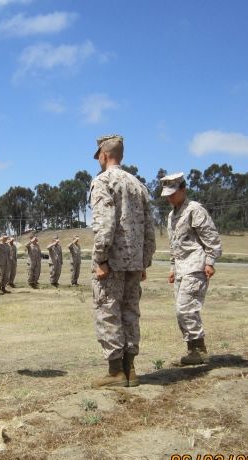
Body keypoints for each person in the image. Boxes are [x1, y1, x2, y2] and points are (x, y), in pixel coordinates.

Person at [89, 135, 155, 389]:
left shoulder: (102, 181)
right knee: (130, 313)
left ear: (103, 155)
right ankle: (131, 369)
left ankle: (115, 372)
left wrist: (101, 258)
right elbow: (150, 227)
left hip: (113, 262)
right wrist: (144, 262)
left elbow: (104, 223)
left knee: (108, 311)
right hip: (134, 262)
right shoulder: (138, 184)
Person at [162, 172, 222, 365]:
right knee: (181, 311)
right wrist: (173, 267)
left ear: (183, 189)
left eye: (173, 192)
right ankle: (194, 350)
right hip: (181, 268)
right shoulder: (172, 215)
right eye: (167, 194)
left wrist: (210, 262)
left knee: (185, 309)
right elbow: (174, 244)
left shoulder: (195, 209)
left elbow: (211, 237)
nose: (170, 197)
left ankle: (199, 349)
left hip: (195, 266)